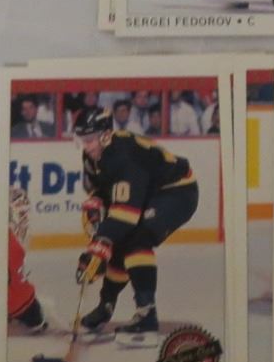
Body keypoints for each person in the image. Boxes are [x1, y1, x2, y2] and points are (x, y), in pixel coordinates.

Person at [71, 107, 199, 344]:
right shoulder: (93, 155)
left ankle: (147, 315)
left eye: (89, 140)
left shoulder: (125, 156)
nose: (85, 146)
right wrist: (97, 201)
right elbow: (105, 189)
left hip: (177, 191)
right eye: (81, 140)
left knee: (137, 239)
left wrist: (98, 245)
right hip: (149, 192)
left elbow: (125, 217)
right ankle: (106, 305)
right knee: (120, 241)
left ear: (106, 135)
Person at [5, 186, 49, 333]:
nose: (24, 217)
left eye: (25, 212)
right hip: (19, 303)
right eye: (21, 213)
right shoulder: (12, 242)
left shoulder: (13, 236)